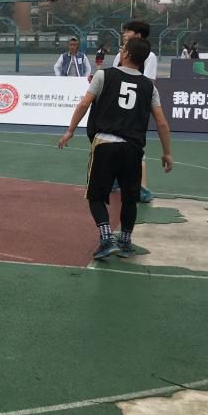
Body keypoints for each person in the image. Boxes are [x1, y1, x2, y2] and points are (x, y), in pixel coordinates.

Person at [58, 38, 173, 259]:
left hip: (105, 143)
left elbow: (84, 104)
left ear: (126, 54)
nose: (120, 51)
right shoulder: (149, 87)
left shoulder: (104, 75)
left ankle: (106, 238)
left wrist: (70, 130)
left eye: (122, 48)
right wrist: (167, 152)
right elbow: (161, 123)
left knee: (95, 195)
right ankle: (126, 241)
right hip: (133, 148)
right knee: (130, 198)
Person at [118, 20, 157, 202]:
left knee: (135, 147)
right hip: (118, 105)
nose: (124, 34)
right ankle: (116, 179)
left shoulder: (149, 56)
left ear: (138, 35)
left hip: (136, 108)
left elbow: (148, 83)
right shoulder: (121, 54)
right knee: (115, 142)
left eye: (128, 31)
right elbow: (115, 76)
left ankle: (141, 187)